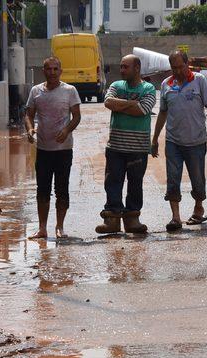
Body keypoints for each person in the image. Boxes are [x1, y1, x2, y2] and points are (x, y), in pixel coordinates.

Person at [152, 50, 207, 231]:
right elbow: (163, 112)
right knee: (173, 179)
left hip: (196, 141)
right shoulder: (167, 84)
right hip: (173, 142)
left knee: (198, 179)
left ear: (187, 64)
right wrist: (155, 138)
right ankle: (175, 218)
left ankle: (198, 208)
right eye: (174, 68)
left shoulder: (199, 80)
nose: (178, 71)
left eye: (181, 67)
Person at [95, 54, 157, 234]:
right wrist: (132, 103)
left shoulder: (149, 88)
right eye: (121, 66)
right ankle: (112, 221)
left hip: (137, 147)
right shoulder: (116, 85)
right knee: (112, 182)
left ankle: (132, 220)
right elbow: (108, 102)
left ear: (137, 68)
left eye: (125, 67)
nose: (121, 70)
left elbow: (143, 109)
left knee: (135, 184)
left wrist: (121, 105)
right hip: (115, 146)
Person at [24, 57, 81, 239]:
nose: (52, 72)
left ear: (61, 71)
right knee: (42, 189)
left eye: (56, 69)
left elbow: (77, 116)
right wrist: (30, 129)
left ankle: (60, 227)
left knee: (61, 189)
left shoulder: (70, 91)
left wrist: (66, 130)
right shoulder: (36, 91)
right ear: (44, 71)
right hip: (43, 149)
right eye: (49, 69)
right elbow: (28, 115)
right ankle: (42, 228)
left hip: (64, 149)